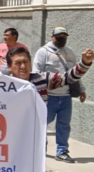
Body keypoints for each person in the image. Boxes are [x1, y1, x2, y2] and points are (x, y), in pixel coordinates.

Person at [33, 27, 86, 163]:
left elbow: (76, 73)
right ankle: (39, 149)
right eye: (58, 36)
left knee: (64, 125)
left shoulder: (70, 53)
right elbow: (36, 73)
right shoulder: (43, 52)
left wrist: (81, 89)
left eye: (64, 36)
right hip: (48, 96)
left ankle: (62, 151)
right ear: (52, 37)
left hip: (66, 96)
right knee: (42, 124)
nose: (61, 38)